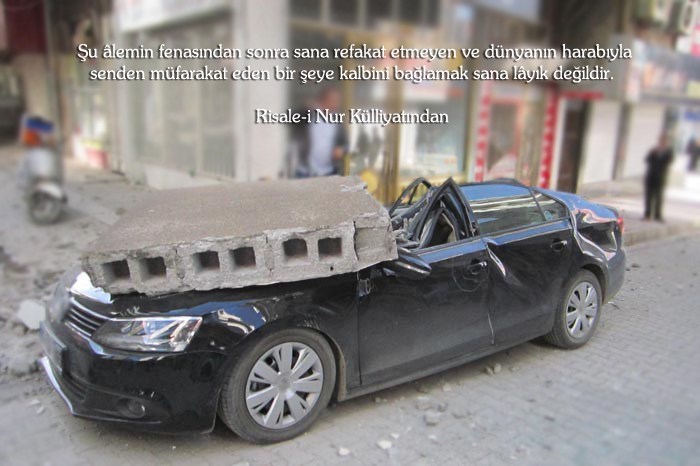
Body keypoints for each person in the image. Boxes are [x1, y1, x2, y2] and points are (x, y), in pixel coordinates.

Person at [289, 87, 347, 178]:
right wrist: (304, 108)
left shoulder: (337, 122)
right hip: (305, 172)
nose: (335, 104)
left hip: (327, 172)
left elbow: (345, 143)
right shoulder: (309, 114)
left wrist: (341, 150)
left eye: (337, 101)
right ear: (323, 100)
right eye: (332, 100)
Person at [644, 134, 674, 222]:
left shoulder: (668, 152)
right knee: (649, 196)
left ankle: (658, 215)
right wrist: (654, 153)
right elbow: (647, 160)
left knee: (659, 197)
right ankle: (647, 214)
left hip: (660, 177)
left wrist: (662, 154)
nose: (662, 142)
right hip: (651, 176)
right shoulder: (654, 150)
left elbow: (669, 161)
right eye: (661, 140)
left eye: (664, 141)